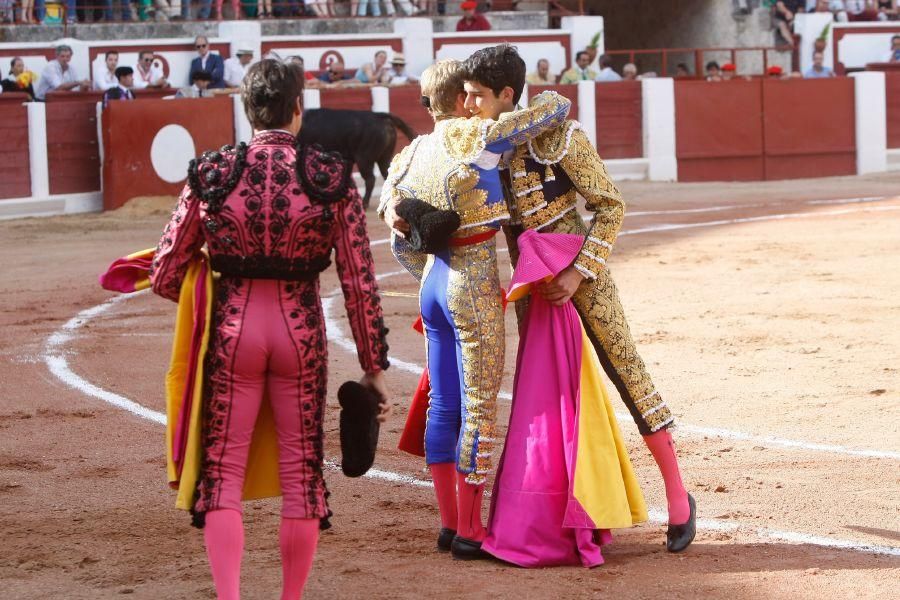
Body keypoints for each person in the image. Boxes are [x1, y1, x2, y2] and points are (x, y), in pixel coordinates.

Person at [149, 58, 391, 600]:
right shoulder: (333, 176)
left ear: (246, 109)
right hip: (301, 334)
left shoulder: (211, 173)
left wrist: (206, 282)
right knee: (302, 476)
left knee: (224, 470)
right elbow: (359, 282)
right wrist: (373, 369)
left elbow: (165, 273)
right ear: (299, 108)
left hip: (232, 333)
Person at [459, 44, 697, 554]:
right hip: (532, 283)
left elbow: (610, 206)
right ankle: (558, 512)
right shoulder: (484, 146)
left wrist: (578, 271)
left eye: (478, 95)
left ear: (505, 94)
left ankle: (678, 500)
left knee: (625, 370)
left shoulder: (559, 136)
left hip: (579, 276)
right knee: (548, 393)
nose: (468, 104)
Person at [378, 51, 570, 560]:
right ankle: (470, 528)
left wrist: (427, 272)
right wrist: (544, 96)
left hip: (433, 284)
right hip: (473, 276)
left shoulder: (410, 154)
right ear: (462, 100)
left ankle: (447, 524)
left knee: (444, 403)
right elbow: (554, 109)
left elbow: (395, 229)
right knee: (479, 406)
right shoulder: (472, 136)